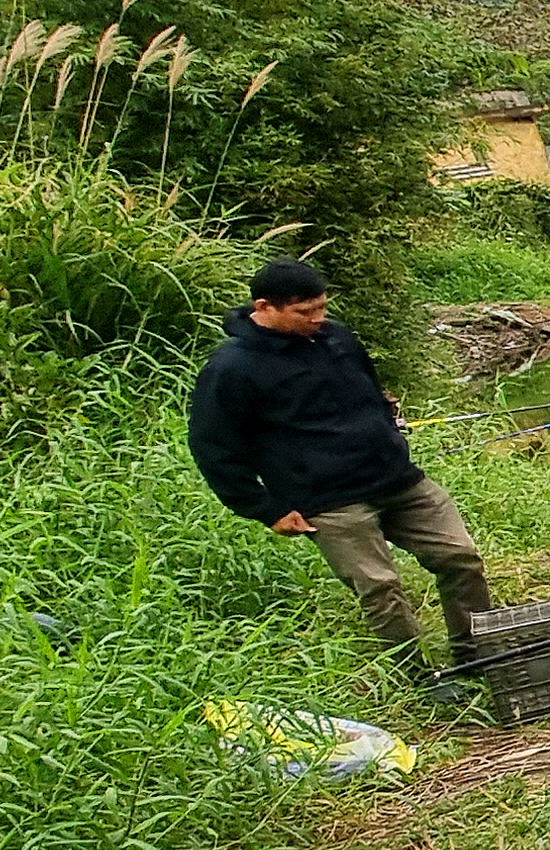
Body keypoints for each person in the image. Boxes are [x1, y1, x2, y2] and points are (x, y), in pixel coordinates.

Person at [188, 259, 497, 670]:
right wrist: (265, 509)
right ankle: (421, 676)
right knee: (380, 587)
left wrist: (387, 428)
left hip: (398, 480)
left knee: (461, 557)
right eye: (305, 312)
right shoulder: (231, 368)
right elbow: (213, 446)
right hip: (329, 501)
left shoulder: (336, 339)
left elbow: (371, 393)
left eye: (322, 308)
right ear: (264, 307)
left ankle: (479, 656)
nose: (318, 319)